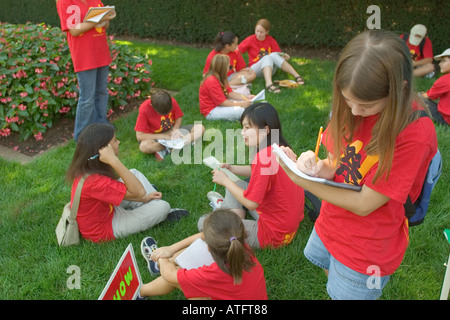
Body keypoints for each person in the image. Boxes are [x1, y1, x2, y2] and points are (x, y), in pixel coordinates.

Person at [279, 30, 438, 300]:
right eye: (347, 99)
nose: (353, 111)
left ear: (399, 89)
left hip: (367, 248)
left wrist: (302, 182)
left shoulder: (413, 132)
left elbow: (366, 203)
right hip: (331, 223)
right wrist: (314, 166)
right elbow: (335, 162)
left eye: (366, 105)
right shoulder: (350, 105)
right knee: (332, 281)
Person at [200, 103, 305, 249]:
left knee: (205, 222)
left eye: (247, 128)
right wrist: (233, 168)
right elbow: (260, 173)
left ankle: (228, 220)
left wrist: (225, 181)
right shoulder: (280, 149)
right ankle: (233, 220)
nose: (242, 133)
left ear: (265, 130)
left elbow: (251, 203)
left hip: (273, 235)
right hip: (287, 225)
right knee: (239, 185)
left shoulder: (263, 157)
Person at [66, 123, 189, 243]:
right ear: (104, 150)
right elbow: (138, 192)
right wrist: (114, 160)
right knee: (163, 207)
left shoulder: (88, 168)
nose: (118, 142)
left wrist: (143, 198)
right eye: (114, 141)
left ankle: (147, 206)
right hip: (105, 227)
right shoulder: (95, 182)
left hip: (106, 208)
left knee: (133, 173)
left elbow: (134, 192)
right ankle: (158, 211)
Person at [138, 209, 268, 300]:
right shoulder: (239, 245)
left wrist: (162, 258)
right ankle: (150, 279)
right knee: (180, 263)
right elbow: (203, 236)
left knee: (179, 274)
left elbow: (170, 275)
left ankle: (141, 291)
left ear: (209, 249)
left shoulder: (212, 274)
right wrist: (171, 249)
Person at [56, 0, 115, 141]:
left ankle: (101, 128)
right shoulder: (65, 2)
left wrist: (107, 17)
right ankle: (81, 136)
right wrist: (98, 19)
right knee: (87, 98)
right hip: (84, 55)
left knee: (102, 92)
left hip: (100, 52)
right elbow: (74, 30)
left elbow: (105, 25)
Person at [135, 90, 205, 161]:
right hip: (154, 136)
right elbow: (139, 136)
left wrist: (176, 128)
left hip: (171, 131)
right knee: (144, 147)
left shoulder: (171, 101)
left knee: (200, 128)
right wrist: (164, 136)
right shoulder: (144, 109)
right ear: (152, 106)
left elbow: (178, 117)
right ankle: (179, 144)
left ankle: (170, 147)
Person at [238, 18, 305, 93]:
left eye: (261, 32)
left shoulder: (271, 40)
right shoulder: (250, 39)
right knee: (267, 57)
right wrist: (242, 67)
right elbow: (237, 51)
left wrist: (284, 58)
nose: (258, 34)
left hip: (270, 69)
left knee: (273, 55)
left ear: (267, 32)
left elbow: (277, 57)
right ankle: (269, 84)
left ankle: (297, 76)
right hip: (256, 69)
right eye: (257, 31)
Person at [199, 54, 253, 121]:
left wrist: (247, 97)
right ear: (222, 68)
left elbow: (230, 93)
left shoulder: (222, 78)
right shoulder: (211, 81)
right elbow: (223, 102)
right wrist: (242, 104)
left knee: (249, 103)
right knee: (241, 110)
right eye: (229, 67)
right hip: (211, 111)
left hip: (220, 105)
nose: (229, 69)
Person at [421, 48, 450, 125]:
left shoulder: (445, 80)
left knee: (419, 98)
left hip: (445, 119)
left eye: (444, 61)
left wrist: (421, 95)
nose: (440, 64)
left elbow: (429, 96)